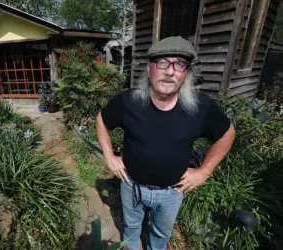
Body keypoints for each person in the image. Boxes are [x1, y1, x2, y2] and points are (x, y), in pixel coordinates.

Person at [95, 36, 236, 250]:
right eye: (162, 63)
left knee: (161, 234)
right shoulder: (128, 101)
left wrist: (204, 172)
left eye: (179, 65)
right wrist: (109, 156)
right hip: (131, 185)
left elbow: (227, 134)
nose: (169, 72)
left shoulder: (201, 108)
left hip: (172, 192)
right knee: (131, 226)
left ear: (185, 73)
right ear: (150, 69)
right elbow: (102, 121)